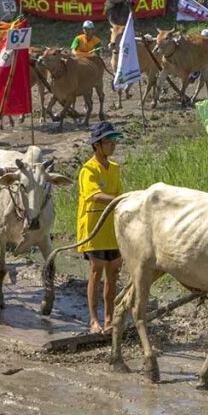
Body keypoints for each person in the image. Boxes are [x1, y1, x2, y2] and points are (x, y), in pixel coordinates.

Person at [76, 121, 124, 334]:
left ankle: (109, 318)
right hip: (94, 227)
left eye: (114, 141)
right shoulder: (88, 170)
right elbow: (95, 195)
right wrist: (120, 199)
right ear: (97, 145)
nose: (113, 145)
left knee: (113, 272)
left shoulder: (114, 168)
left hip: (111, 229)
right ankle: (94, 320)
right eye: (108, 141)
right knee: (96, 272)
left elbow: (119, 194)